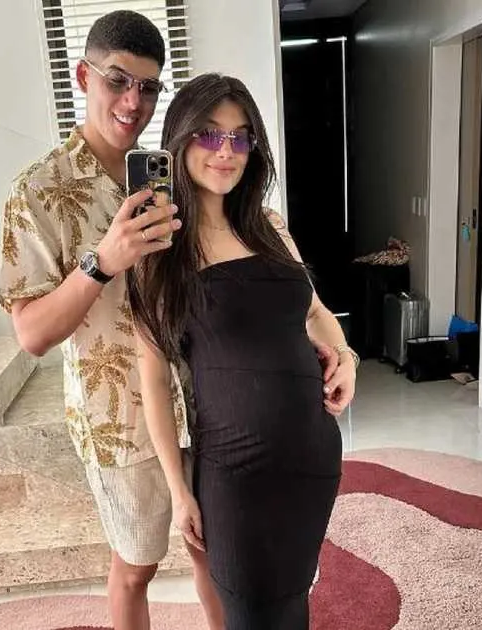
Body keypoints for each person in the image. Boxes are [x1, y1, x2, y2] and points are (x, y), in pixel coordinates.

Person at [0, 11, 223, 630]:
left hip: (204, 394)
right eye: (118, 80)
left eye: (148, 87)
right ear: (82, 77)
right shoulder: (36, 192)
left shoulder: (169, 173)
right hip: (118, 418)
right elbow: (31, 334)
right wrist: (102, 262)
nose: (133, 102)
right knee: (136, 567)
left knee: (213, 552)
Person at [129, 73, 358, 629]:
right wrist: (179, 492)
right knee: (251, 611)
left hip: (311, 458)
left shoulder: (269, 227)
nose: (225, 151)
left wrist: (346, 357)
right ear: (180, 139)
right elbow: (153, 380)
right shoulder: (159, 247)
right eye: (209, 134)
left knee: (292, 601)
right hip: (235, 472)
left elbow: (317, 313)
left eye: (240, 137)